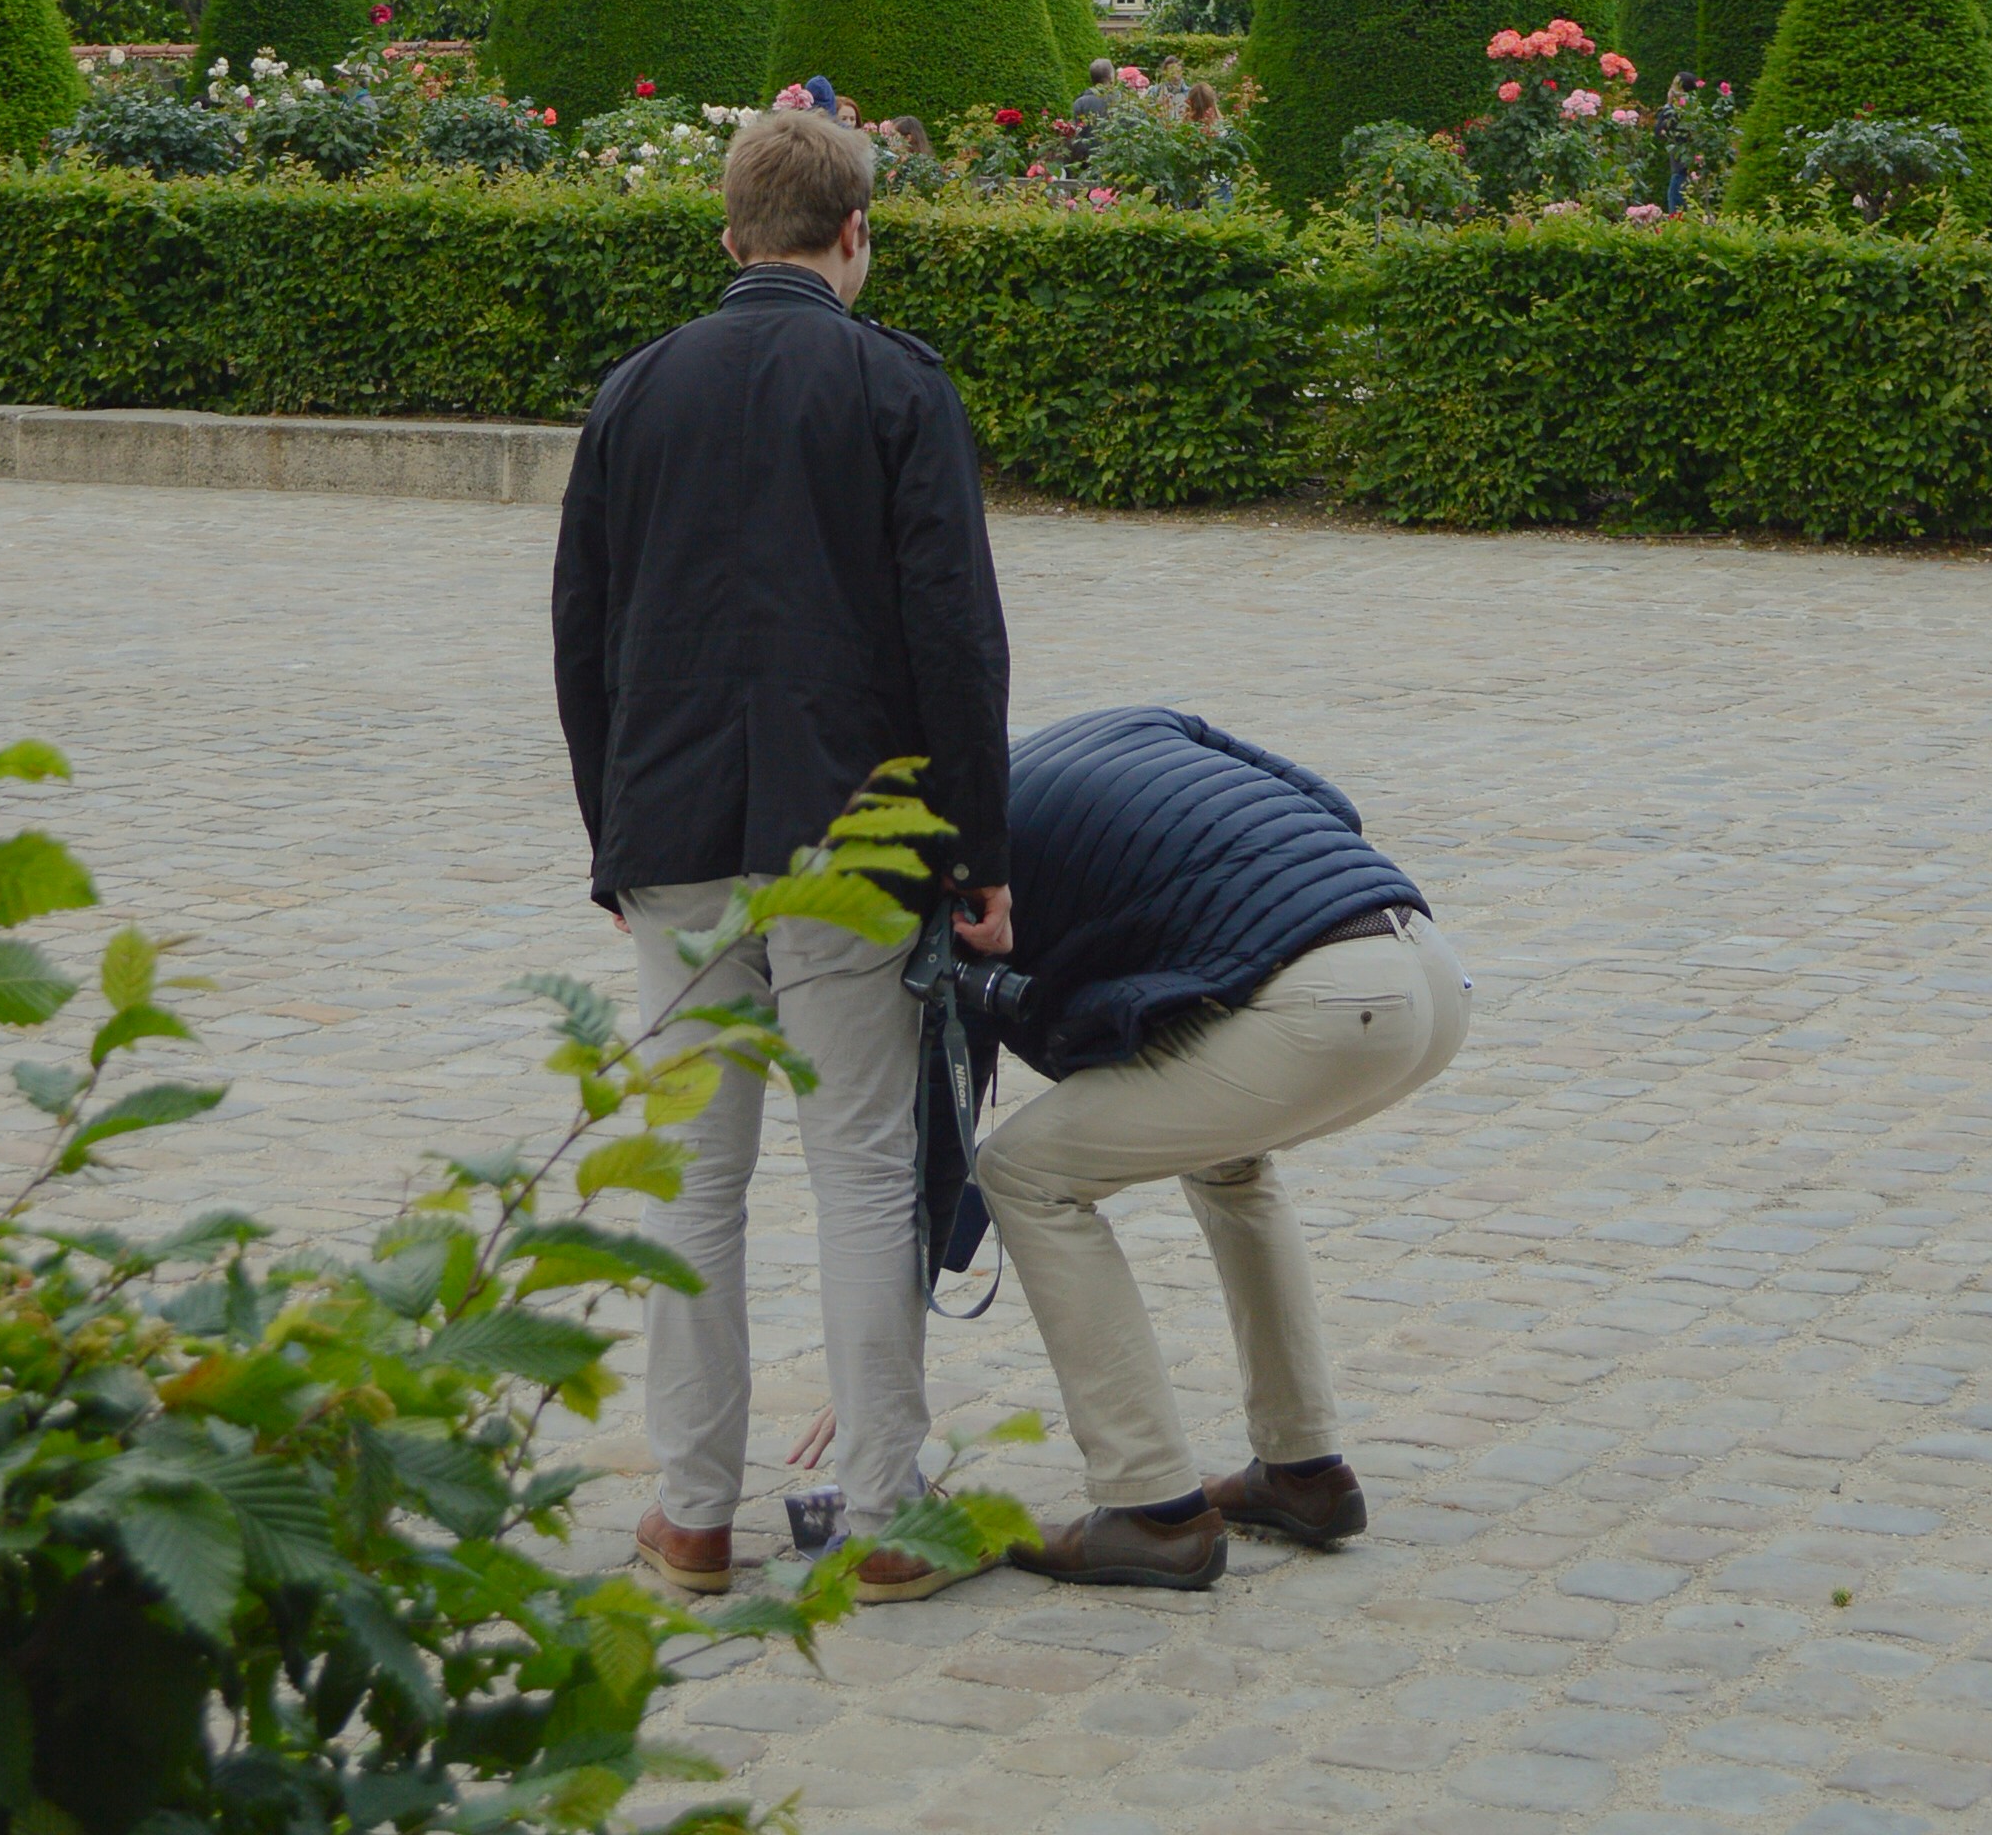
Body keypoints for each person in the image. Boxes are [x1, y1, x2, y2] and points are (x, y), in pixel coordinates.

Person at [550, 106, 1012, 1605]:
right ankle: (880, 1508)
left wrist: (612, 836)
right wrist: (977, 848)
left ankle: (690, 1514)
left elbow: (582, 639)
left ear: (730, 235)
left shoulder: (635, 393)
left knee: (692, 1180)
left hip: (675, 830)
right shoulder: (894, 385)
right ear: (855, 236)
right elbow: (957, 638)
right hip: (850, 841)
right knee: (867, 1173)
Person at [973, 704, 1470, 1591]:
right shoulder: (1136, 724)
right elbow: (1332, 806)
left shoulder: (965, 856)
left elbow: (958, 1079)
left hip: (1325, 1007)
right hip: (1425, 964)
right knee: (1226, 1155)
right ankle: (1302, 1471)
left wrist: (902, 1293)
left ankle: (1149, 1509)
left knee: (1023, 1171)